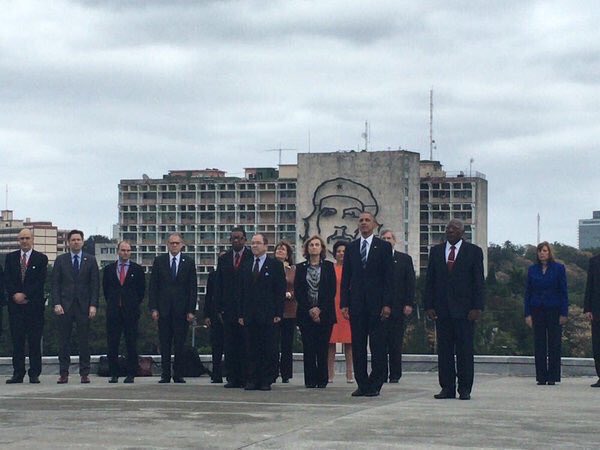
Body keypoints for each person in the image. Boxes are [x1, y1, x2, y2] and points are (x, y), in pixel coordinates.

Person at [424, 219, 484, 400]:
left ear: (462, 232)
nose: (450, 230)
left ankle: (464, 388)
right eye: (448, 228)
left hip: (465, 311)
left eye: (454, 228)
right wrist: (429, 305)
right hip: (442, 310)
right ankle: (447, 388)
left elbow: (478, 282)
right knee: (444, 351)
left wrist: (477, 307)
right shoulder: (436, 251)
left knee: (464, 351)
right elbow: (430, 281)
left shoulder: (473, 251)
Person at [341, 212, 394, 397]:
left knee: (378, 345)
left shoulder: (384, 247)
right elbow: (346, 277)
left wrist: (387, 304)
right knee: (358, 345)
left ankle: (376, 383)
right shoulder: (352, 247)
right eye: (361, 220)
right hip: (357, 304)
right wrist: (344, 303)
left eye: (367, 220)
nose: (364, 223)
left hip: (377, 305)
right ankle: (362, 383)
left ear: (374, 224)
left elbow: (389, 278)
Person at [238, 233, 286, 391]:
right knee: (251, 347)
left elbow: (279, 290)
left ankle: (266, 379)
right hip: (249, 314)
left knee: (268, 348)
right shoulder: (246, 265)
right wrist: (241, 314)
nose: (255, 246)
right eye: (253, 243)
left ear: (266, 246)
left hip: (268, 314)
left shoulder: (275, 265)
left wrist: (278, 312)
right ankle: (252, 379)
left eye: (258, 243)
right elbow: (241, 291)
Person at [52, 229, 100, 384]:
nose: (76, 242)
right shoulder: (61, 260)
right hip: (64, 305)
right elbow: (55, 284)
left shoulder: (90, 260)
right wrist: (56, 303)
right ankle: (63, 373)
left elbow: (95, 285)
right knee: (63, 341)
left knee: (84, 341)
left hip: (83, 306)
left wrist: (93, 305)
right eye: (73, 240)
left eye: (78, 239)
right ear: (68, 242)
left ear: (83, 241)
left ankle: (84, 373)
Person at [149, 233, 197, 383]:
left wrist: (191, 310)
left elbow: (192, 288)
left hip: (182, 311)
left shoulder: (188, 262)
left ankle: (178, 374)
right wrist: (154, 308)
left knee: (180, 344)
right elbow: (153, 286)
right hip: (164, 310)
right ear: (167, 245)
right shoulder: (159, 261)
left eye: (177, 243)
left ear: (182, 245)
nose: (174, 245)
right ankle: (165, 374)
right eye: (172, 243)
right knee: (165, 343)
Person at [4, 228, 48, 384]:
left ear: (32, 239)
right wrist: (15, 294)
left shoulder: (41, 258)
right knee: (17, 342)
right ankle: (18, 373)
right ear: (18, 240)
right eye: (22, 238)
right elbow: (7, 279)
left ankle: (34, 373)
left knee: (34, 342)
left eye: (27, 238)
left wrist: (25, 294)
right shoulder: (10, 258)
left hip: (33, 307)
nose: (24, 241)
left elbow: (40, 281)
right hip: (15, 308)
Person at [524, 241, 568, 386]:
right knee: (539, 343)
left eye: (544, 251)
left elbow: (563, 291)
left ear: (549, 252)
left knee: (554, 343)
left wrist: (564, 313)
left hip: (554, 309)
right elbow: (528, 292)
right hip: (537, 309)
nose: (542, 253)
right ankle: (541, 376)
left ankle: (553, 376)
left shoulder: (558, 268)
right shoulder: (532, 269)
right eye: (540, 251)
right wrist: (527, 314)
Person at [214, 227, 254, 388]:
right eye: (233, 238)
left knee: (246, 343)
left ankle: (246, 376)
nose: (236, 241)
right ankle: (232, 377)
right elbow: (218, 284)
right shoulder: (224, 259)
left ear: (245, 240)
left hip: (246, 307)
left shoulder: (251, 257)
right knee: (230, 344)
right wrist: (218, 307)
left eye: (239, 238)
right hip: (229, 308)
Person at [295, 235, 337, 388]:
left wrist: (319, 309)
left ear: (322, 248)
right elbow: (299, 291)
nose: (314, 247)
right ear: (307, 249)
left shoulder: (329, 267)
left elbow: (331, 290)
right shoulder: (300, 268)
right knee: (309, 348)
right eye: (311, 245)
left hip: (325, 313)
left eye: (317, 244)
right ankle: (310, 380)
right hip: (306, 313)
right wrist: (310, 309)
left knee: (322, 347)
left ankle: (322, 379)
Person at [102, 241, 145, 384]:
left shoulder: (137, 269)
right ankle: (114, 373)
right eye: (123, 250)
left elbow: (141, 291)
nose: (125, 253)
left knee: (131, 343)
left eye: (128, 250)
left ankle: (131, 373)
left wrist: (132, 303)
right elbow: (106, 290)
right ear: (118, 251)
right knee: (112, 343)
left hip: (130, 311)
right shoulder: (109, 269)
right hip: (114, 311)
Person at [380, 230, 415, 383]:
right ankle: (380, 374)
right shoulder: (375, 259)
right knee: (380, 343)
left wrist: (409, 303)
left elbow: (410, 283)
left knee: (395, 343)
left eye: (389, 238)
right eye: (383, 238)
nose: (386, 240)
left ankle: (395, 375)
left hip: (398, 307)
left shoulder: (404, 259)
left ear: (394, 241)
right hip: (379, 308)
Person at [328, 240, 353, 384]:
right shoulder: (330, 269)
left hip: (347, 307)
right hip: (332, 306)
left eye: (344, 251)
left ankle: (350, 373)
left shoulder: (352, 269)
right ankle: (329, 373)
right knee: (330, 342)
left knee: (349, 342)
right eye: (338, 251)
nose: (341, 254)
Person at [275, 241, 296, 383]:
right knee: (273, 343)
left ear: (288, 254)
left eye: (283, 249)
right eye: (278, 249)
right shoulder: (270, 267)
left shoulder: (293, 269)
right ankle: (272, 371)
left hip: (289, 310)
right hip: (274, 311)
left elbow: (298, 286)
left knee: (287, 344)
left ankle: (286, 374)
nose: (280, 251)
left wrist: (290, 294)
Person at [203, 261, 224, 383]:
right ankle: (216, 374)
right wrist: (207, 315)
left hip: (231, 314)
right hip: (215, 315)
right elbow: (208, 296)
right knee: (216, 346)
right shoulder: (213, 276)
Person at [584, 252, 600, 387]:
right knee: (597, 344)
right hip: (597, 309)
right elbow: (589, 285)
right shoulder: (594, 261)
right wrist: (588, 308)